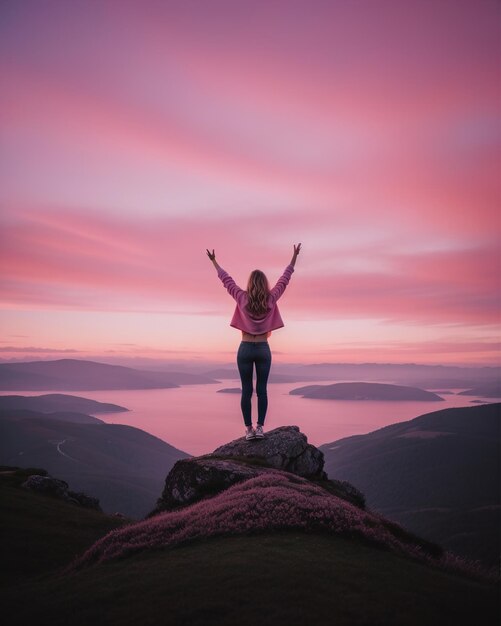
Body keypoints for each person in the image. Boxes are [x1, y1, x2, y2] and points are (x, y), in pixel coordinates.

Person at [206, 244, 301, 440]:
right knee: (262, 391)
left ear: (250, 283)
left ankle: (248, 430)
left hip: (245, 348)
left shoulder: (241, 297)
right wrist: (294, 257)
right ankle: (260, 428)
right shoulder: (271, 298)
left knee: (246, 391)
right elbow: (285, 279)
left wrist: (214, 261)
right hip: (263, 349)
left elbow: (226, 280)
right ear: (264, 283)